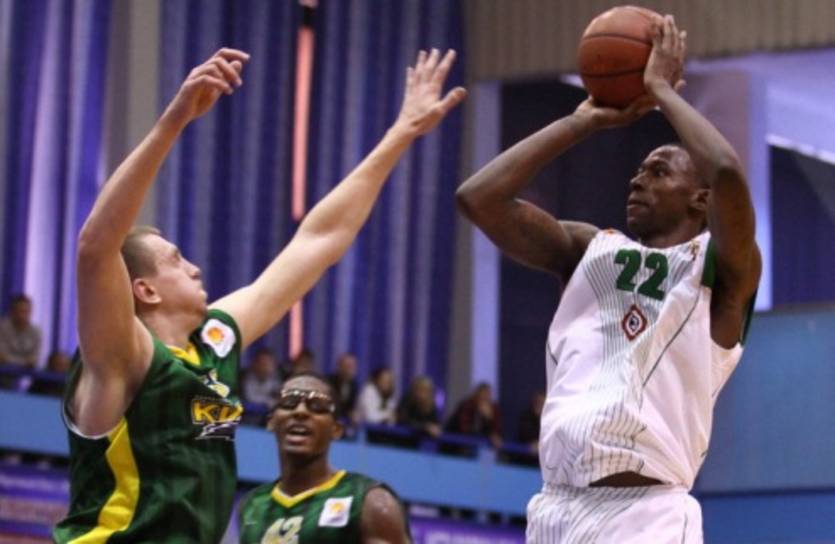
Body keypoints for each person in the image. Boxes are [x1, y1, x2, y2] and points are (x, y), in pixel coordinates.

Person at [54, 46, 465, 542]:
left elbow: (318, 241)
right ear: (144, 290)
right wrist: (174, 120)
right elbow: (95, 246)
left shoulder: (213, 342)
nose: (195, 267)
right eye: (176, 261)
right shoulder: (122, 354)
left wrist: (402, 132)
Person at [456, 16, 759, 543]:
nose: (638, 180)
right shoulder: (588, 250)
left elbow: (728, 172)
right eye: (638, 171)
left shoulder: (718, 270)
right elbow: (479, 199)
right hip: (555, 507)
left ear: (700, 199)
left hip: (647, 512)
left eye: (659, 171)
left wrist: (662, 92)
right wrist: (582, 123)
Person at [238, 372, 411, 543]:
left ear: (336, 430)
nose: (300, 411)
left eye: (317, 406)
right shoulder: (253, 506)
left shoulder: (370, 503)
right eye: (289, 403)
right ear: (271, 422)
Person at [446, 382, 502, 448]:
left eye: (488, 395)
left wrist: (488, 419)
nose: (485, 398)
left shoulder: (493, 409)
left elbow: (496, 432)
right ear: (477, 394)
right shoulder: (467, 405)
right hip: (455, 444)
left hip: (477, 446)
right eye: (483, 395)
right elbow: (464, 429)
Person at [0, 294, 42, 368]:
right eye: (19, 311)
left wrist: (10, 360)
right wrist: (25, 362)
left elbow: (33, 360)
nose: (21, 315)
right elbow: (2, 357)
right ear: (12, 311)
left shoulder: (36, 332)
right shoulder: (2, 328)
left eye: (25, 311)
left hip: (24, 373)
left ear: (30, 312)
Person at [328, 352, 359, 422]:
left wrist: (353, 413)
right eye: (347, 366)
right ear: (339, 367)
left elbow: (351, 407)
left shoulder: (353, 385)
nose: (349, 370)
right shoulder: (329, 382)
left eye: (352, 366)